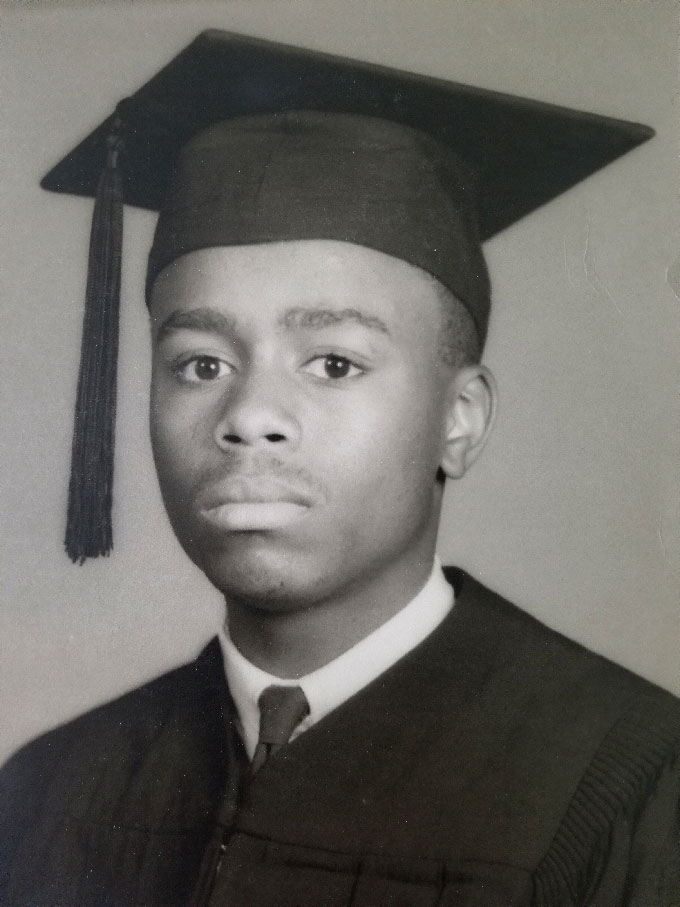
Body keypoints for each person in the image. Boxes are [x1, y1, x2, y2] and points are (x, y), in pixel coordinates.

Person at [1, 31, 678, 907]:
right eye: (201, 364)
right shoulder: (50, 787)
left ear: (459, 421)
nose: (248, 417)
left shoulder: (636, 785)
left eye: (334, 363)